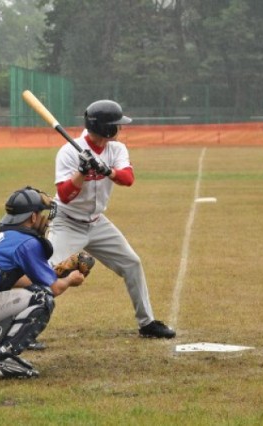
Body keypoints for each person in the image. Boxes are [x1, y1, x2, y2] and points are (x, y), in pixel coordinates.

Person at [47, 99, 176, 339]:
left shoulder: (116, 149)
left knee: (132, 263)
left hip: (97, 223)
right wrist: (82, 173)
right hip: (67, 222)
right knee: (45, 273)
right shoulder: (69, 151)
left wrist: (107, 170)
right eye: (117, 124)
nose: (121, 128)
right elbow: (65, 195)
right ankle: (21, 329)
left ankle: (147, 323)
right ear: (106, 128)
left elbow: (127, 179)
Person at [0, 187, 85, 378]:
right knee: (42, 297)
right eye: (41, 214)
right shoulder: (27, 241)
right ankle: (4, 358)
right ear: (32, 217)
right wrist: (71, 279)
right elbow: (53, 288)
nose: (45, 219)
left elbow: (6, 278)